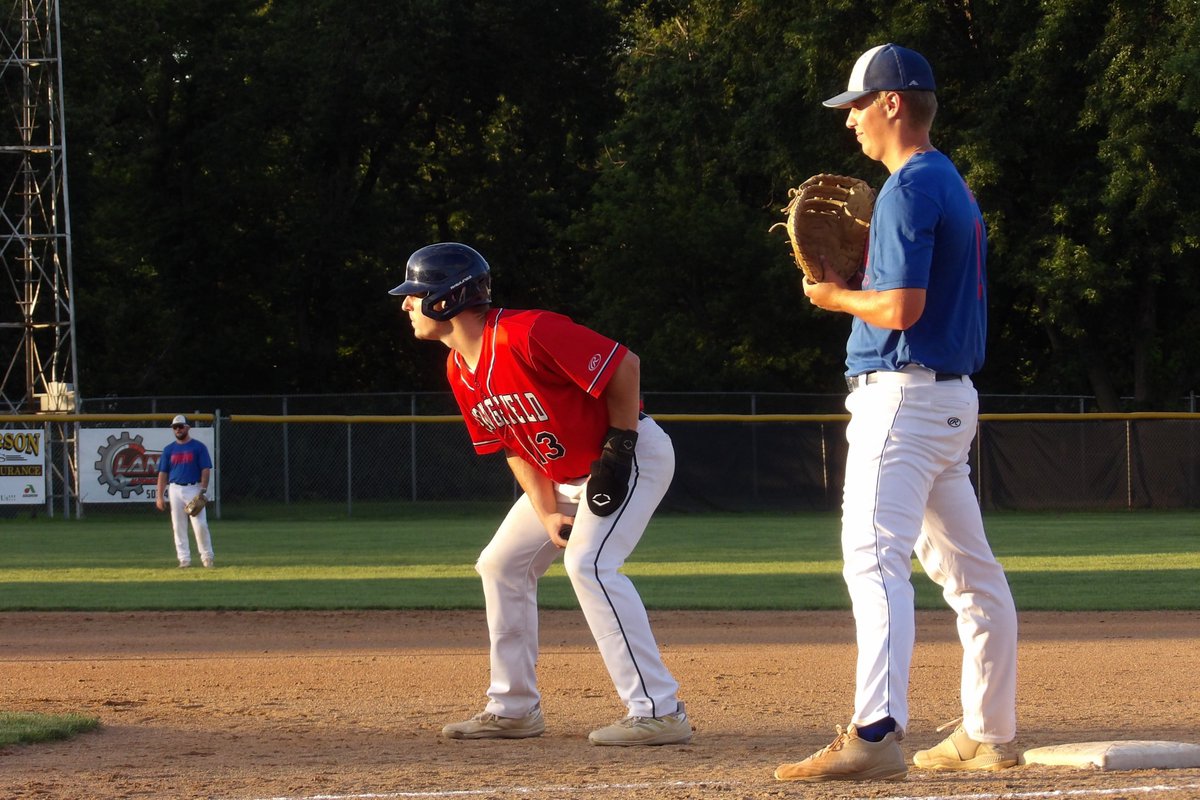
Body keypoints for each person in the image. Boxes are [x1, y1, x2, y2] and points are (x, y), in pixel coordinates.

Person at [774, 44, 1018, 782]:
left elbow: (902, 308)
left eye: (856, 106)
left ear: (892, 104)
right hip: (947, 404)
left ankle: (876, 733)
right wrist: (862, 281)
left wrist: (834, 297)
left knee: (874, 561)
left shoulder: (909, 188)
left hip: (903, 402)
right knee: (972, 576)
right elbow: (913, 299)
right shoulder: (947, 181)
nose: (849, 122)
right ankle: (988, 730)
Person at [390, 242, 691, 746]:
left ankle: (659, 711)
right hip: (561, 476)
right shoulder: (459, 369)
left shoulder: (526, 332)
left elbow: (625, 367)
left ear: (445, 300)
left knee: (590, 565)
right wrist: (548, 511)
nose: (406, 305)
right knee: (499, 563)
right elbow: (512, 443)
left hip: (628, 454)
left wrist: (618, 449)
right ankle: (513, 708)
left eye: (415, 293)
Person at [155, 414, 215, 569]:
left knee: (200, 524)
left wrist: (203, 489)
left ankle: (207, 557)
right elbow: (163, 474)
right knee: (178, 526)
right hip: (175, 488)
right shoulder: (169, 449)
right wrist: (159, 496)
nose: (178, 430)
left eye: (180, 426)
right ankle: (184, 559)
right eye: (175, 427)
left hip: (194, 488)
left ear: (188, 427)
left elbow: (205, 469)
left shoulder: (198, 447)